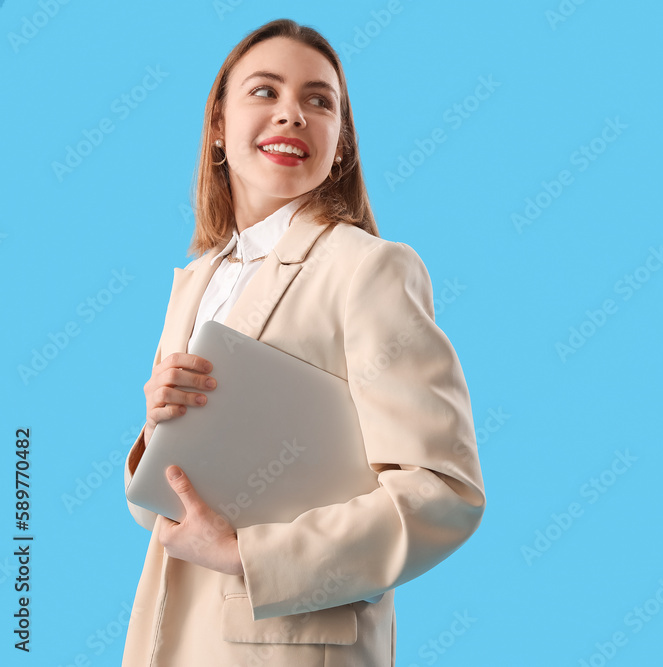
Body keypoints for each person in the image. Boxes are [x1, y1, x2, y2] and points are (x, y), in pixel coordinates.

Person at [120, 18, 486, 666]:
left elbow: (442, 493)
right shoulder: (199, 279)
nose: (293, 114)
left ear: (341, 143)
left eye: (320, 101)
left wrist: (248, 555)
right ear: (217, 127)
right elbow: (168, 517)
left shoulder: (369, 269)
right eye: (265, 91)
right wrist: (156, 438)